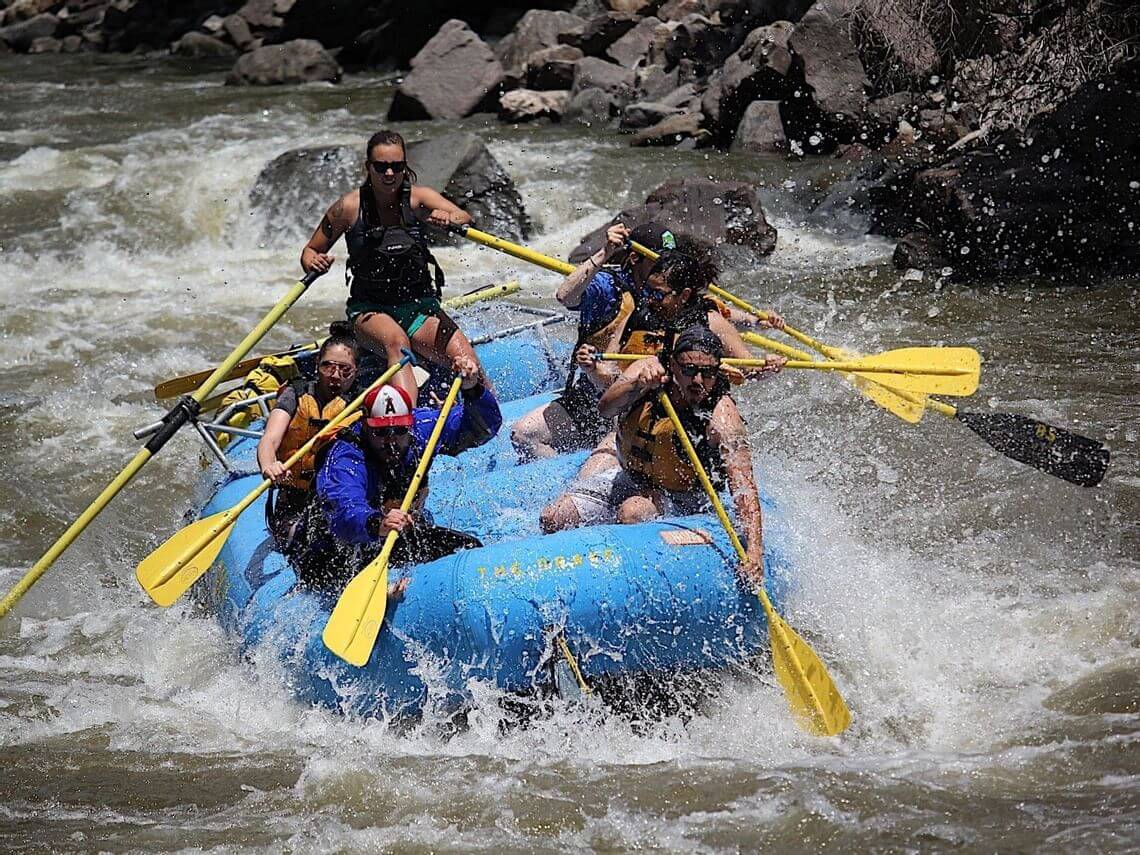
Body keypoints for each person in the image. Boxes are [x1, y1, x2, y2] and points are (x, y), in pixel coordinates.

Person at [540, 326, 766, 588]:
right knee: (553, 517)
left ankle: (620, 587)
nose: (698, 381)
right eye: (689, 370)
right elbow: (605, 408)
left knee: (633, 511)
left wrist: (754, 552)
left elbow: (744, 487)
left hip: (683, 498)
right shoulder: (646, 371)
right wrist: (636, 384)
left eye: (708, 373)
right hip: (628, 477)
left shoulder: (722, 418)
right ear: (672, 364)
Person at [287, 356, 501, 599]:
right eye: (380, 432)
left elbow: (483, 428)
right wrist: (377, 523)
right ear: (366, 427)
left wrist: (472, 389)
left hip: (390, 533)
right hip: (332, 549)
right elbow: (344, 511)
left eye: (398, 430)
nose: (390, 440)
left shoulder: (422, 429)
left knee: (466, 547)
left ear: (409, 424)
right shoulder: (346, 457)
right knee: (337, 563)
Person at [300, 128, 484, 408]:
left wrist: (449, 217)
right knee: (398, 343)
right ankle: (405, 423)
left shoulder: (419, 198)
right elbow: (312, 249)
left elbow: (463, 216)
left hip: (419, 309)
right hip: (370, 311)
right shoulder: (347, 208)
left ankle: (487, 416)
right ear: (368, 167)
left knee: (467, 362)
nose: (389, 174)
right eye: (381, 167)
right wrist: (312, 260)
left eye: (396, 167)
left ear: (404, 167)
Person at [256, 322, 359, 544]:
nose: (335, 375)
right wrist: (268, 466)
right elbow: (270, 439)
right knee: (299, 537)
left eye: (345, 369)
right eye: (328, 366)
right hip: (294, 498)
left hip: (336, 496)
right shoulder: (296, 394)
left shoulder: (359, 406)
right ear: (316, 365)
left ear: (356, 372)